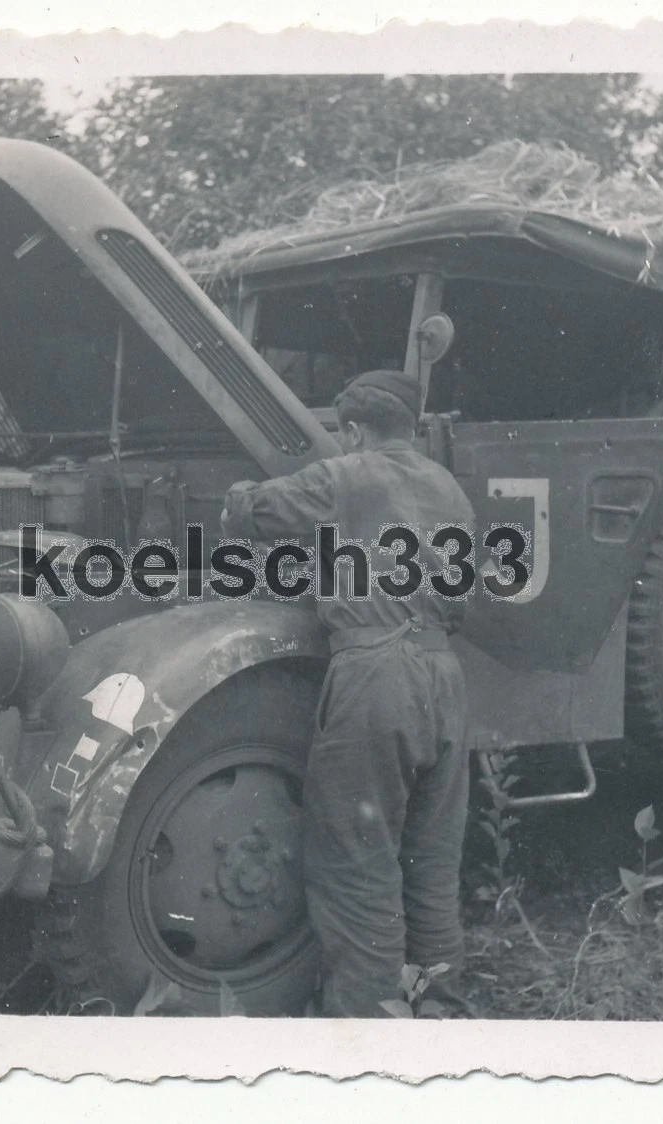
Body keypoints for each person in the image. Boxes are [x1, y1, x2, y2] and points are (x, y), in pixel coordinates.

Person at [220, 369, 475, 1018]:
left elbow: (256, 512)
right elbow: (462, 600)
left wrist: (236, 497)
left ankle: (364, 1036)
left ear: (355, 431)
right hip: (443, 679)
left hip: (374, 675)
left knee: (355, 866)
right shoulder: (450, 490)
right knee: (431, 861)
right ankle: (437, 1009)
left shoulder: (347, 474)